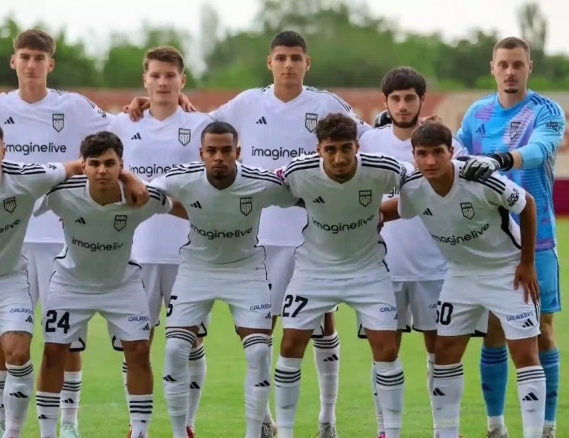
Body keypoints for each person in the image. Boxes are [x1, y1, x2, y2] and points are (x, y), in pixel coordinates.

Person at [128, 31, 371, 436]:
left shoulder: (326, 103)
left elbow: (370, 136)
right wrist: (156, 102)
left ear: (307, 63)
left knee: (322, 325)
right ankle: (263, 420)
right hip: (262, 236)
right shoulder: (246, 103)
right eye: (281, 57)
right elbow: (203, 125)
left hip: (313, 234)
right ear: (270, 62)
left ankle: (327, 419)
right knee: (264, 333)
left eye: (296, 57)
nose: (288, 64)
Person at [0, 119, 148, 438]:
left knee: (18, 353)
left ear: (4, 151)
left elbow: (83, 164)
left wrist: (128, 176)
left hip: (8, 281)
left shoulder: (26, 177)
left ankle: (12, 433)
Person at [0, 29, 112, 438]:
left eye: (39, 57)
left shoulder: (74, 106)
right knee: (7, 333)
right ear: (14, 61)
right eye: (25, 56)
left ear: (51, 63)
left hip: (64, 238)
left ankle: (69, 423)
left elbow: (123, 128)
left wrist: (148, 104)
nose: (31, 64)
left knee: (67, 333)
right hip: (9, 239)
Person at [381, 121, 545, 438]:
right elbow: (399, 209)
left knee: (525, 354)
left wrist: (527, 263)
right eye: (422, 154)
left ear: (451, 151)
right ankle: (447, 433)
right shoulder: (412, 186)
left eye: (437, 152)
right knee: (444, 353)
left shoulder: (479, 178)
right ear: (413, 155)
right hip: (459, 275)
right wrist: (358, 215)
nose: (430, 161)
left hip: (507, 272)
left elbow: (527, 205)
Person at [34, 131, 187, 438]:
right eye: (94, 163)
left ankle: (140, 432)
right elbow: (25, 197)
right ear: (83, 165)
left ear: (121, 164)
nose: (102, 170)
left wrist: (217, 223)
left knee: (139, 352)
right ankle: (48, 433)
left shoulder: (141, 196)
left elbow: (181, 208)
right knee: (53, 352)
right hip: (70, 285)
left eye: (109, 163)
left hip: (122, 286)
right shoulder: (61, 193)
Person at [150, 121, 297, 438]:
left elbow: (305, 195)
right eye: (212, 151)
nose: (219, 157)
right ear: (201, 153)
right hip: (196, 270)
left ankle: (254, 432)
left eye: (226, 150)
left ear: (237, 152)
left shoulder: (259, 182)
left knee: (258, 352)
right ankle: (180, 433)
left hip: (246, 271)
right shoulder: (183, 178)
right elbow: (145, 192)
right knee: (175, 349)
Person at [456, 37, 565, 438]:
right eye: (503, 64)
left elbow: (540, 149)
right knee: (494, 329)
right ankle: (495, 425)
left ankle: (547, 426)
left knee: (543, 330)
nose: (510, 72)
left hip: (538, 239)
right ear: (492, 68)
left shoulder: (546, 110)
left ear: (529, 67)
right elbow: (454, 150)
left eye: (518, 64)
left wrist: (501, 159)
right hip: (490, 240)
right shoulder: (477, 112)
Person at [275, 113, 407, 438]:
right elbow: (264, 185)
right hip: (314, 269)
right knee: (290, 345)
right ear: (318, 149)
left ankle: (389, 432)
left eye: (346, 148)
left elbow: (422, 178)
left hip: (368, 270)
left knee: (387, 350)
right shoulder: (298, 172)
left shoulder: (381, 168)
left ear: (357, 147)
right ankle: (287, 432)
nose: (339, 158)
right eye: (330, 149)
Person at [107, 45, 213, 437]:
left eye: (170, 75)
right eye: (155, 75)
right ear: (145, 80)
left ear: (182, 80)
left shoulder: (203, 125)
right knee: (137, 343)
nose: (163, 82)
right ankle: (138, 428)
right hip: (137, 252)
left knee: (189, 342)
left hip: (189, 253)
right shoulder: (121, 126)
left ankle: (187, 424)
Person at [358, 66, 467, 437]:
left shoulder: (447, 143)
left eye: (410, 98)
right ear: (385, 102)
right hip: (381, 267)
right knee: (384, 354)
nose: (403, 105)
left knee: (441, 354)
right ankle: (386, 430)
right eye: (396, 98)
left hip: (436, 266)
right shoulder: (369, 142)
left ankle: (444, 430)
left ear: (422, 100)